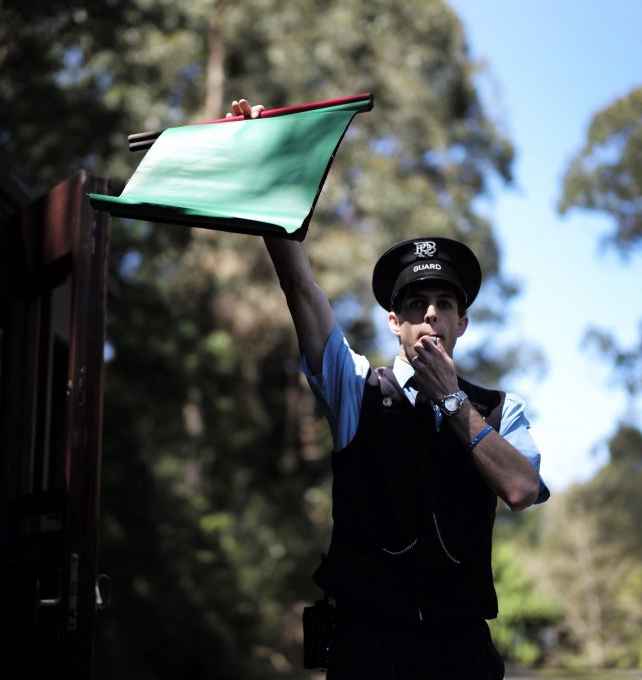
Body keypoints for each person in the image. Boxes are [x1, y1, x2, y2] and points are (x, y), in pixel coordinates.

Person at [229, 99, 550, 679]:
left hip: (462, 651)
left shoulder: (501, 409)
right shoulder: (356, 390)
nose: (430, 315)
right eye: (414, 306)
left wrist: (454, 402)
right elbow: (301, 290)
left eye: (445, 305)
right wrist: (265, 185)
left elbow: (523, 488)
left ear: (462, 322)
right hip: (369, 649)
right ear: (393, 323)